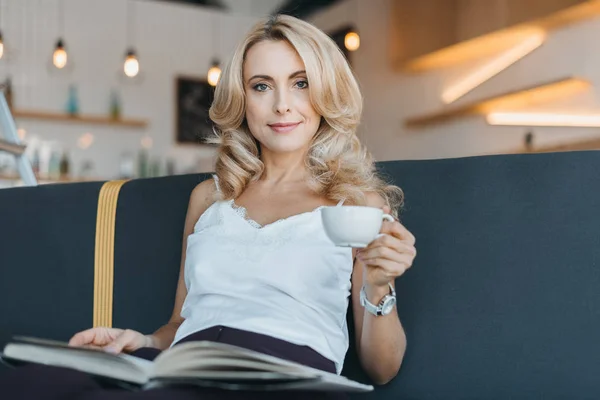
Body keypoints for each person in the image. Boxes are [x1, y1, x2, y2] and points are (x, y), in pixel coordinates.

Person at [1, 14, 416, 399]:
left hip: (281, 377)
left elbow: (382, 368)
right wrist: (141, 341)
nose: (282, 105)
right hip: (185, 364)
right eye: (261, 85)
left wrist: (378, 287)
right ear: (243, 99)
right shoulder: (210, 197)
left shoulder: (358, 204)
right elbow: (179, 325)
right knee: (31, 379)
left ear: (326, 91)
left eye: (301, 83)